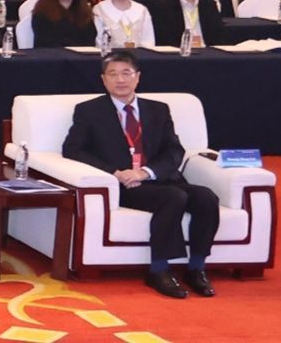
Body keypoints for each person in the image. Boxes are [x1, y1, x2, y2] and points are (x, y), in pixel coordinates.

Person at [64, 51, 219, 299]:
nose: (120, 80)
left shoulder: (158, 110)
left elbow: (174, 150)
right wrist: (115, 173)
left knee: (206, 198)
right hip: (123, 185)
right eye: (113, 74)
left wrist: (145, 172)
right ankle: (159, 270)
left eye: (126, 73)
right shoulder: (89, 111)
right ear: (103, 79)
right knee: (174, 197)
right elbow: (73, 150)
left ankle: (196, 268)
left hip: (155, 177)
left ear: (138, 77)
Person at [33, 0, 99, 49]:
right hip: (52, 54)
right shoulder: (42, 12)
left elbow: (90, 39)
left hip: (82, 54)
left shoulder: (84, 11)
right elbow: (44, 42)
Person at [94, 0, 158, 48]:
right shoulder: (99, 10)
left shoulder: (142, 10)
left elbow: (148, 40)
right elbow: (98, 41)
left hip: (139, 54)